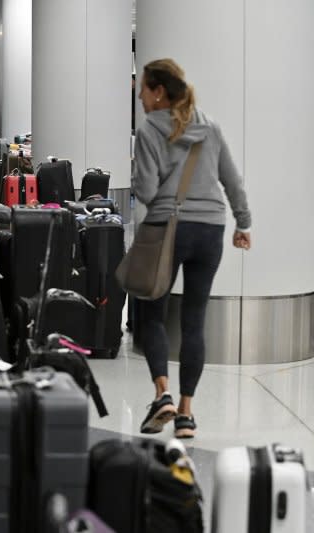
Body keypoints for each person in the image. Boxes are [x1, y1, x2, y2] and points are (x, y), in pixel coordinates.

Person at [133, 58, 252, 439]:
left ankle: (162, 395)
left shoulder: (150, 128)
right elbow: (231, 180)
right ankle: (186, 414)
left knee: (151, 313)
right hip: (212, 230)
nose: (139, 96)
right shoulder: (210, 125)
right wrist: (243, 223)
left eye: (143, 89)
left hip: (170, 230)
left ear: (159, 92)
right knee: (194, 320)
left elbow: (146, 190)